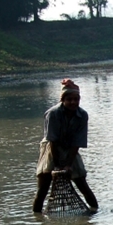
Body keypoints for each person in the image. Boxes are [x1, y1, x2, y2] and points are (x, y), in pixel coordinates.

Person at [32, 79, 98, 213]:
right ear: (63, 100)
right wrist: (57, 165)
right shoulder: (53, 114)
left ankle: (95, 211)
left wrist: (68, 164)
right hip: (51, 148)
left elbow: (77, 143)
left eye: (76, 99)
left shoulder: (82, 115)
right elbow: (52, 141)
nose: (73, 102)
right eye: (69, 99)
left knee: (82, 183)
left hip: (70, 148)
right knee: (42, 189)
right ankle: (36, 216)